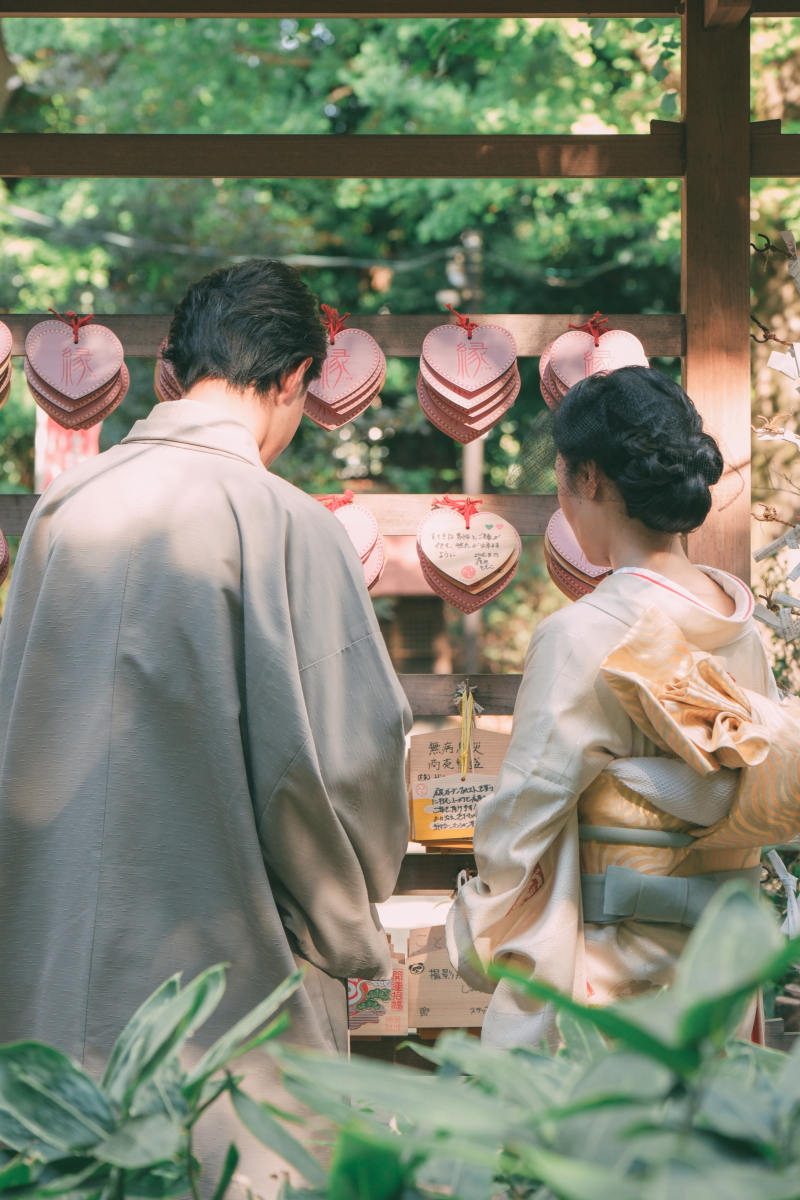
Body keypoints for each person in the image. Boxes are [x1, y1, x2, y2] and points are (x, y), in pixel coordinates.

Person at [0, 261, 410, 1174]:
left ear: (169, 375)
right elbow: (347, 768)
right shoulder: (287, 521)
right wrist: (351, 932)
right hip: (232, 994)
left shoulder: (61, 512)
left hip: (50, 986)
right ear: (297, 379)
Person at [447, 365, 780, 1048]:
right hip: (722, 975)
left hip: (609, 982)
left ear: (589, 479)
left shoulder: (582, 634)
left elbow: (522, 823)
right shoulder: (743, 631)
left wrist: (475, 927)